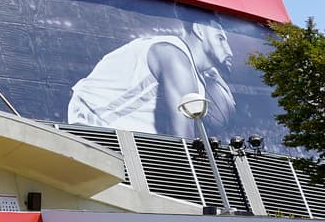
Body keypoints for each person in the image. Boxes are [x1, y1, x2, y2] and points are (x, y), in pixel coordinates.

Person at [67, 17, 235, 138]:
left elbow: (221, 119)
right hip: (95, 122)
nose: (229, 50)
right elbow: (183, 139)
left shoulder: (198, 74)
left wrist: (217, 79)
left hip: (121, 134)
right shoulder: (173, 55)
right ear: (199, 30)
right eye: (220, 39)